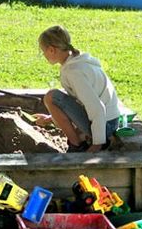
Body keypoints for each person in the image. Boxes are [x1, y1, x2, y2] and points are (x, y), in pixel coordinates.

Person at [35, 25, 120, 153]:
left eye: (43, 51)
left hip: (105, 125)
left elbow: (97, 108)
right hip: (109, 120)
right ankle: (83, 137)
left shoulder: (74, 72)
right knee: (56, 98)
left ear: (51, 50)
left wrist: (97, 144)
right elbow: (78, 100)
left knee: (51, 97)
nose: (44, 55)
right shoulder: (77, 60)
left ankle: (77, 145)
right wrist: (51, 118)